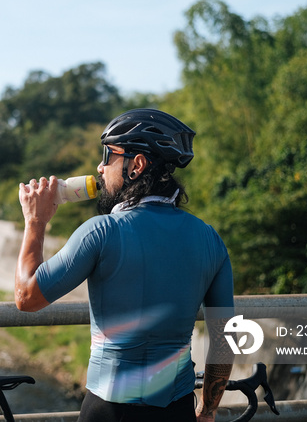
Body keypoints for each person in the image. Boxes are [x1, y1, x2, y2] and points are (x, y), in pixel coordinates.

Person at [15, 108, 235, 422]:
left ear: (137, 164)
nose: (100, 167)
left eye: (109, 156)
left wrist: (35, 222)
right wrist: (208, 411)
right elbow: (224, 339)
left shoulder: (102, 231)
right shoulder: (210, 239)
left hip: (108, 411)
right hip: (177, 410)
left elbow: (26, 297)